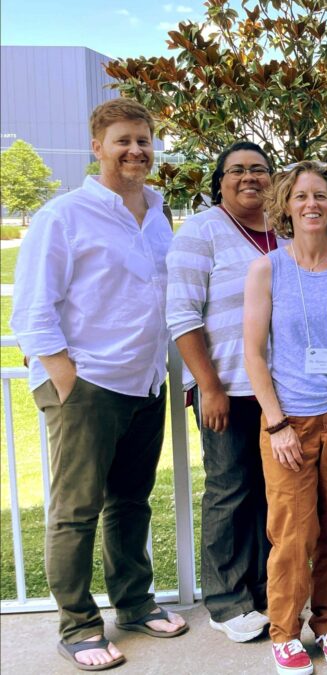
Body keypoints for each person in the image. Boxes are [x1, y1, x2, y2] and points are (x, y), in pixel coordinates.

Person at [11, 97, 188, 671]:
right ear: (97, 147)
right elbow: (32, 310)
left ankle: (135, 605)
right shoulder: (63, 217)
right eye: (122, 141)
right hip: (87, 386)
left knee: (130, 503)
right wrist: (68, 379)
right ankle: (79, 625)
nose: (136, 150)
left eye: (143, 140)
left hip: (143, 383)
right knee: (74, 510)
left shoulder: (158, 213)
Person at [243, 161, 327, 675]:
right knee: (292, 533)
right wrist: (276, 423)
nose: (310, 204)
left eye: (320, 195)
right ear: (286, 206)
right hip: (289, 424)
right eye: (300, 196)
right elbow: (254, 353)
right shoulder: (267, 269)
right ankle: (285, 630)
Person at [167, 141, 275, 643]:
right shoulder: (202, 231)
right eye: (237, 171)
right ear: (220, 180)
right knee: (230, 491)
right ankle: (228, 602)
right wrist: (207, 385)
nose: (249, 178)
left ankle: (265, 590)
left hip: (282, 391)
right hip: (228, 387)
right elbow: (183, 316)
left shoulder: (283, 231)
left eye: (258, 169)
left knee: (274, 494)